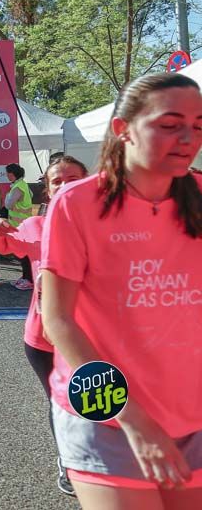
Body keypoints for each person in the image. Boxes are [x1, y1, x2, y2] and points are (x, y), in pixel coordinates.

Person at [42, 72, 202, 508]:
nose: (188, 137)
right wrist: (131, 418)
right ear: (122, 129)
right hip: (107, 421)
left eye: (199, 125)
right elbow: (58, 322)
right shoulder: (76, 204)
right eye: (169, 124)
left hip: (193, 417)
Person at [0, 155, 88, 496]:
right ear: (47, 190)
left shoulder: (104, 227)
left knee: (98, 401)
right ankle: (68, 459)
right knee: (62, 402)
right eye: (57, 181)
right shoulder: (35, 227)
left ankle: (101, 463)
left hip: (93, 337)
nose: (66, 184)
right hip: (43, 338)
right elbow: (3, 244)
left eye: (73, 178)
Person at [3, 163, 34, 290]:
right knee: (22, 254)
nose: (6, 175)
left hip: (20, 225)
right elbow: (30, 196)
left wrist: (6, 196)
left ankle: (29, 279)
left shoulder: (17, 187)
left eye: (7, 173)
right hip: (22, 224)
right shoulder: (22, 184)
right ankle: (25, 277)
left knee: (24, 254)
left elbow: (8, 205)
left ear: (12, 173)